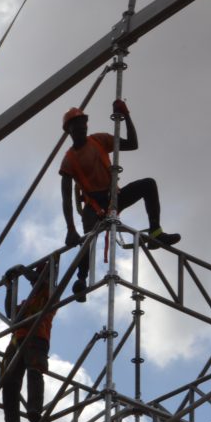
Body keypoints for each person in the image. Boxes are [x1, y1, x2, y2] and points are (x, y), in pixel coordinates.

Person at [60, 100, 180, 300]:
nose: (81, 128)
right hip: (94, 205)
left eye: (83, 124)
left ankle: (156, 232)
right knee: (88, 238)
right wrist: (70, 229)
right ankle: (81, 279)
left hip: (114, 196)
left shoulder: (99, 140)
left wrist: (126, 116)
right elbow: (65, 199)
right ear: (69, 130)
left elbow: (132, 144)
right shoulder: (69, 160)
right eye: (77, 125)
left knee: (148, 184)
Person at [0, 259, 56, 422]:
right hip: (17, 341)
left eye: (37, 276)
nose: (34, 280)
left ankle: (34, 409)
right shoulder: (28, 301)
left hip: (37, 338)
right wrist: (9, 288)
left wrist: (22, 270)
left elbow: (42, 281)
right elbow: (11, 314)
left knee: (34, 370)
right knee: (8, 381)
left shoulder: (49, 292)